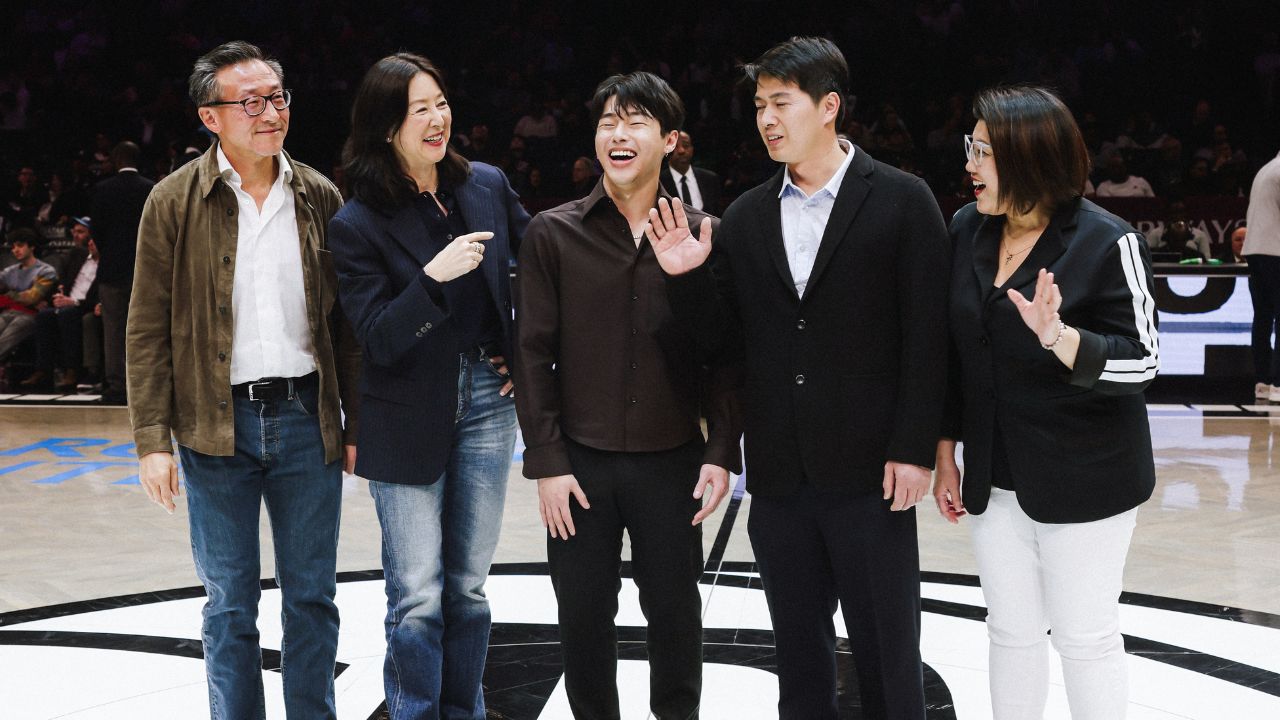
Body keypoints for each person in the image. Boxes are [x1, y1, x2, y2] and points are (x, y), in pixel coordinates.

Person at [648, 37, 949, 719]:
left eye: (781, 103)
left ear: (829, 106)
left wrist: (912, 446)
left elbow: (928, 338)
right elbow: (724, 342)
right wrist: (688, 280)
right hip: (781, 479)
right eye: (759, 105)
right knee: (798, 656)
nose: (767, 119)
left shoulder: (904, 201)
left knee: (887, 654)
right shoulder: (749, 215)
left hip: (874, 472)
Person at [127, 41, 360, 719]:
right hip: (211, 424)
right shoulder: (173, 202)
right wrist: (151, 440)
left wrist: (357, 425)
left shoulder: (319, 194)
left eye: (277, 97)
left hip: (304, 418)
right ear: (211, 117)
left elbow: (343, 327)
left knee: (312, 595)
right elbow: (145, 327)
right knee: (230, 601)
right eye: (250, 101)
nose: (269, 113)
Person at [514, 71, 741, 719]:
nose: (619, 133)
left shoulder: (706, 234)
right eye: (609, 121)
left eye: (637, 120)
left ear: (670, 140)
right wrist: (548, 464)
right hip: (578, 466)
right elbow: (532, 355)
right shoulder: (552, 234)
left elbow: (725, 354)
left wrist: (720, 451)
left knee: (675, 614)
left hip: (673, 460)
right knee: (583, 616)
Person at [932, 85, 1159, 720]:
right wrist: (947, 451)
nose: (969, 165)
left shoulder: (1107, 240)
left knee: (1086, 639)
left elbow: (1143, 361)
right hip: (995, 477)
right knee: (1009, 631)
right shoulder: (966, 230)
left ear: (1029, 156)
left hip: (1088, 478)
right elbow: (956, 354)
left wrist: (1060, 338)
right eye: (969, 148)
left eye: (982, 152)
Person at [326, 52, 529, 719]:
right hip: (406, 411)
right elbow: (378, 338)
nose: (438, 118)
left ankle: (463, 709)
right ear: (387, 127)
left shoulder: (488, 185)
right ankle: (416, 712)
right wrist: (431, 279)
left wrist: (516, 350)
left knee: (468, 586)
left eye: (441, 102)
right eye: (420, 109)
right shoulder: (356, 223)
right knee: (416, 590)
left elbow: (537, 269)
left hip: (486, 407)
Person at [91, 140, 155, 405]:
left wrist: (109, 253)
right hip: (145, 270)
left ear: (115, 161)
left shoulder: (102, 189)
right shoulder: (150, 188)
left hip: (112, 269)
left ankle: (117, 387)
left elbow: (97, 231)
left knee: (114, 329)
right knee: (148, 330)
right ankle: (147, 386)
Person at [23, 216, 97, 391]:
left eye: (81, 232)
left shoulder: (105, 262)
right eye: (74, 232)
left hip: (84, 306)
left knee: (67, 314)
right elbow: (61, 282)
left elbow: (101, 294)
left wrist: (74, 302)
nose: (76, 236)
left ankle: (72, 370)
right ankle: (43, 370)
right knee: (44, 315)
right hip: (67, 303)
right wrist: (56, 297)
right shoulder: (77, 257)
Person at [1245, 151, 1280, 401]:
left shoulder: (1267, 168)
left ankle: (1263, 382)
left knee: (1263, 318)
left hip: (1255, 250)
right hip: (1274, 251)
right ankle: (1278, 383)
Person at [0, 228, 58, 361]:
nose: (15, 250)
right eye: (13, 247)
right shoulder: (10, 271)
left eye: (20, 246)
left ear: (31, 246)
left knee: (5, 340)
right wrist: (17, 296)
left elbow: (32, 298)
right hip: (9, 312)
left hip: (31, 315)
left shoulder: (46, 271)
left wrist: (6, 294)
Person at [660, 130, 723, 214]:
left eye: (686, 145)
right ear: (666, 150)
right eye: (675, 146)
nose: (681, 150)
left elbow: (718, 214)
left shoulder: (710, 179)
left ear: (692, 149)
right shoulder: (659, 182)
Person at [1146, 200, 1212, 260]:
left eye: (1181, 212)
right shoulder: (1156, 233)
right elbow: (1147, 257)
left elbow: (1206, 260)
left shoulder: (1200, 235)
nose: (1178, 216)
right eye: (1175, 212)